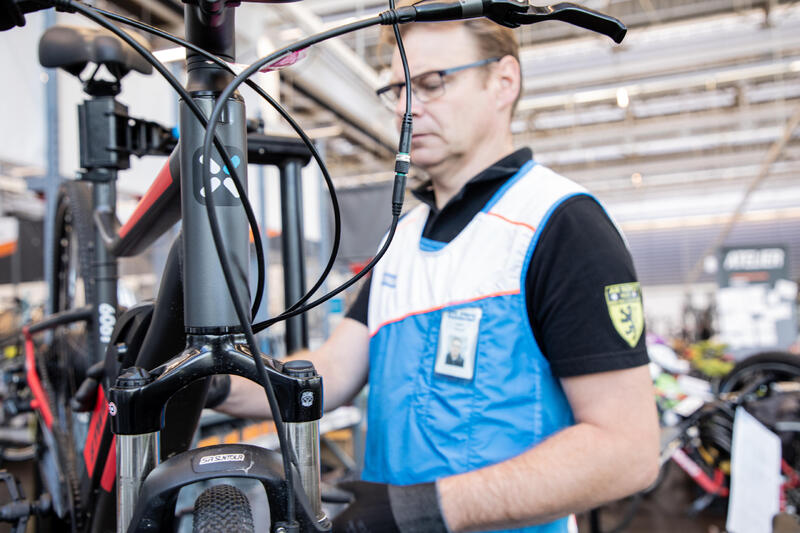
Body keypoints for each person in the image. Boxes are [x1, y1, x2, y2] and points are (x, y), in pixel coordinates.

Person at [213, 9, 659, 532]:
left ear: (503, 81)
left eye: (430, 84)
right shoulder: (400, 239)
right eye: (397, 90)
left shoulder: (560, 224)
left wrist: (423, 509)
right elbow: (329, 372)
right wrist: (210, 378)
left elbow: (626, 449)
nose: (407, 108)